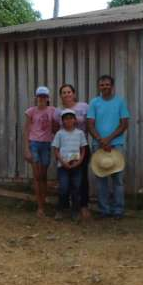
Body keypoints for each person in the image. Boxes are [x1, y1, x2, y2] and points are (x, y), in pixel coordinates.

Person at [86, 74, 130, 218]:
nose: (104, 87)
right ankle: (104, 210)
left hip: (116, 145)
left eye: (107, 84)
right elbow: (90, 124)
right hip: (98, 145)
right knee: (101, 179)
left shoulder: (120, 102)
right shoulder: (94, 102)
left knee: (118, 180)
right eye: (102, 85)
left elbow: (124, 124)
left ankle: (118, 210)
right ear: (99, 87)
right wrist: (100, 139)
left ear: (112, 86)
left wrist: (109, 139)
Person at [55, 83, 92, 219]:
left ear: (74, 93)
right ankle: (63, 207)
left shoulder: (84, 107)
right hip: (65, 149)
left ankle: (82, 206)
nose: (67, 94)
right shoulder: (58, 111)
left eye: (69, 92)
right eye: (64, 92)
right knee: (64, 182)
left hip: (81, 147)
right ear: (61, 96)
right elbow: (55, 129)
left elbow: (90, 124)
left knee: (81, 179)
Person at [23, 86, 57, 218]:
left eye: (44, 96)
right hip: (34, 144)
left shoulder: (52, 111)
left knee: (43, 175)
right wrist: (27, 149)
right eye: (39, 96)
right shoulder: (31, 111)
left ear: (48, 98)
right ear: (36, 97)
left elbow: (56, 126)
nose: (42, 98)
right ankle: (40, 207)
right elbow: (26, 130)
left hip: (47, 144)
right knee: (37, 176)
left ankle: (43, 201)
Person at [51, 109, 88, 220]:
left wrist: (80, 161)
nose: (69, 121)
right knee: (63, 188)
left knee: (76, 188)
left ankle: (75, 211)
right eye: (66, 119)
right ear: (62, 121)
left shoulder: (80, 133)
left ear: (75, 120)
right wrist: (62, 162)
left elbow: (83, 149)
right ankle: (60, 210)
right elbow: (56, 150)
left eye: (71, 118)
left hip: (77, 165)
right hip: (63, 166)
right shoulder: (59, 133)